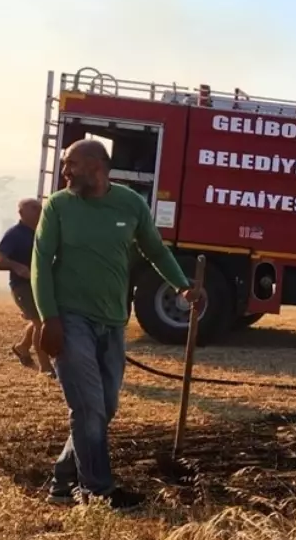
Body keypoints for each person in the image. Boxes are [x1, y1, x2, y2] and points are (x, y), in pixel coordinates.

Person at [33, 139, 204, 510]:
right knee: (88, 409)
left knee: (104, 408)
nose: (65, 172)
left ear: (97, 165)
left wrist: (182, 286)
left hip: (112, 321)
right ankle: (99, 491)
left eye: (71, 164)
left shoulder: (130, 204)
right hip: (70, 318)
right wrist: (49, 318)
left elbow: (154, 250)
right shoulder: (59, 207)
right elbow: (41, 261)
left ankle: (63, 483)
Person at [0, 197, 51, 376]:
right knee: (41, 323)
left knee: (42, 319)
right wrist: (16, 266)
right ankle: (46, 367)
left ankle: (23, 347)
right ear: (21, 213)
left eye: (40, 207)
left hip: (40, 284)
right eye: (33, 208)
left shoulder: (44, 231)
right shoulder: (15, 234)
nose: (39, 210)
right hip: (22, 286)